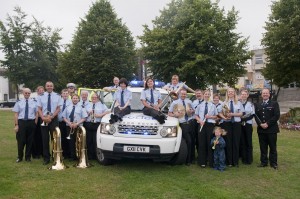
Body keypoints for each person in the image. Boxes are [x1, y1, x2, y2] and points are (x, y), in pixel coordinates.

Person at [218, 88, 244, 167]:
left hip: (236, 124)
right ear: (227, 93)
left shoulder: (238, 103)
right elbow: (219, 113)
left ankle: (235, 162)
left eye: (232, 92)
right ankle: (229, 162)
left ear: (234, 93)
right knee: (228, 142)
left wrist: (233, 114)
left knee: (236, 142)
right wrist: (224, 117)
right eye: (229, 92)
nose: (230, 93)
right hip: (227, 124)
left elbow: (241, 114)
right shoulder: (224, 103)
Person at [254, 88, 280, 170]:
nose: (265, 94)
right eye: (263, 93)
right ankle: (263, 162)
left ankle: (273, 163)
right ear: (261, 95)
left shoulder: (274, 103)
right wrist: (260, 124)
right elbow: (256, 116)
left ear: (269, 94)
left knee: (272, 147)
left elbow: (276, 116)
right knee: (263, 147)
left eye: (266, 93)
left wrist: (267, 124)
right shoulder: (258, 104)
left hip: (271, 129)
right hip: (261, 129)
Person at [168, 89, 195, 166]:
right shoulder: (175, 103)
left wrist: (191, 111)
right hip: (182, 123)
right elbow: (169, 113)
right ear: (179, 94)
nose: (183, 95)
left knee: (191, 141)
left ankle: (190, 159)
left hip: (190, 122)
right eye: (182, 94)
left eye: (185, 94)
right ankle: (187, 160)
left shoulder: (189, 102)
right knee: (188, 141)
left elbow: (194, 110)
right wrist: (175, 115)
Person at [37, 81, 61, 165]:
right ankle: (46, 158)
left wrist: (51, 117)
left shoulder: (58, 96)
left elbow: (58, 108)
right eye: (48, 86)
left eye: (51, 86)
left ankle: (55, 156)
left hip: (53, 119)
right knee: (45, 139)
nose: (49, 87)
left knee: (54, 139)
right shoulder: (41, 96)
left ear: (53, 87)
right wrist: (43, 118)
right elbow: (39, 108)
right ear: (45, 87)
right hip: (43, 119)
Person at [13, 88, 38, 163]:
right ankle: (20, 157)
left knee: (30, 141)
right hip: (22, 122)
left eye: (28, 93)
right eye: (26, 93)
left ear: (30, 94)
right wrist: (16, 125)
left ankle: (28, 157)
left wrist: (35, 122)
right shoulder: (19, 102)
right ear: (23, 93)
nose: (27, 94)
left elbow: (36, 113)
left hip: (31, 122)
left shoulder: (34, 102)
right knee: (21, 140)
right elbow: (16, 114)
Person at [195, 90, 218, 168]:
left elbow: (216, 116)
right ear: (203, 95)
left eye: (208, 94)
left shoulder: (212, 105)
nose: (207, 95)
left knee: (210, 143)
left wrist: (210, 117)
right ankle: (202, 162)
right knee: (202, 143)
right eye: (205, 94)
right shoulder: (200, 105)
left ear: (209, 95)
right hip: (202, 125)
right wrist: (200, 121)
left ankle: (211, 161)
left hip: (210, 125)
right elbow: (196, 115)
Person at [62, 94, 88, 160]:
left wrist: (77, 123)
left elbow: (84, 117)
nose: (75, 99)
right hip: (69, 126)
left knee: (79, 142)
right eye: (74, 98)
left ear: (79, 99)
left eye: (76, 98)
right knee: (70, 142)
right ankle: (72, 156)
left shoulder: (82, 107)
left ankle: (79, 156)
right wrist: (69, 123)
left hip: (78, 126)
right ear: (71, 99)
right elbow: (64, 117)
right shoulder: (68, 107)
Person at [85, 93, 110, 160]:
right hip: (89, 123)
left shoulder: (102, 105)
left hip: (97, 124)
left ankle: (96, 156)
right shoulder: (88, 104)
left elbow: (108, 111)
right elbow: (83, 113)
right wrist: (88, 113)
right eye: (92, 97)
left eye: (95, 97)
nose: (94, 99)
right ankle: (90, 156)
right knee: (89, 140)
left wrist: (100, 115)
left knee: (95, 140)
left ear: (98, 98)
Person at [240, 89, 255, 165]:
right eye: (242, 94)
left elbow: (252, 115)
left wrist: (243, 119)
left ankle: (249, 159)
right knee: (242, 142)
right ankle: (244, 158)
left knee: (248, 142)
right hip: (240, 125)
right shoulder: (238, 103)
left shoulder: (251, 104)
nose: (243, 95)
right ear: (240, 95)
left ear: (247, 95)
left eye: (245, 94)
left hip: (248, 125)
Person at [58, 89, 72, 159]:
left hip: (67, 123)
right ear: (61, 94)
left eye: (67, 93)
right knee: (61, 138)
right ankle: (61, 153)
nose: (65, 95)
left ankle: (68, 154)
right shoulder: (58, 102)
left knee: (67, 138)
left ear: (69, 94)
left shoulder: (71, 102)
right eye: (64, 93)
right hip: (59, 122)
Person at [31, 85, 44, 159]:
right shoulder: (34, 99)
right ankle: (36, 153)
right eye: (40, 90)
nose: (41, 92)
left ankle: (42, 152)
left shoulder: (45, 99)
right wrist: (36, 119)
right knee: (36, 136)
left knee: (43, 136)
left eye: (42, 90)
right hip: (37, 119)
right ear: (37, 91)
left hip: (43, 118)